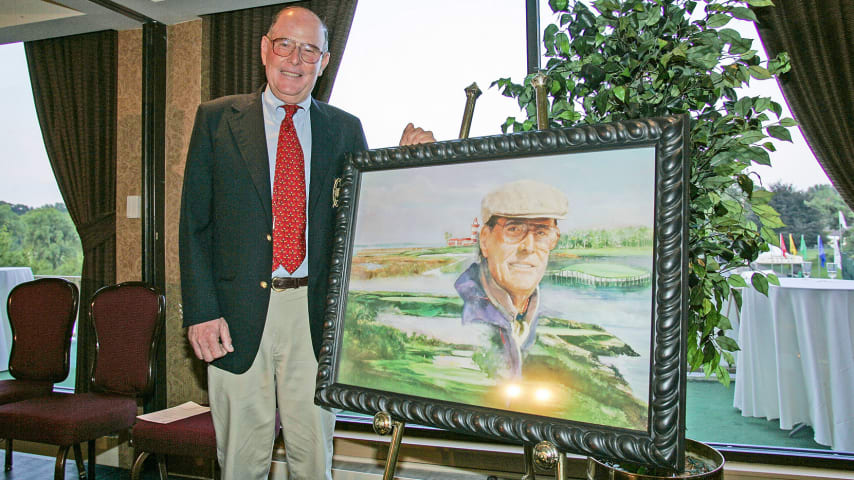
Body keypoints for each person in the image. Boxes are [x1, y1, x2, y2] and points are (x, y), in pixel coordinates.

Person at [178, 6, 434, 480]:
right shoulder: (216, 120)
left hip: (315, 315)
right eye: (284, 44)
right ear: (264, 49)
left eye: (309, 49)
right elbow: (195, 224)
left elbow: (366, 219)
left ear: (325, 61)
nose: (294, 59)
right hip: (232, 315)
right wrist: (199, 311)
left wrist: (406, 166)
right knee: (239, 462)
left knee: (314, 458)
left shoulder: (345, 128)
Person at [454, 179, 568, 379]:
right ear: (485, 240)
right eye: (514, 230)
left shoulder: (555, 318)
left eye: (541, 232)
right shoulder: (455, 313)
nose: (529, 247)